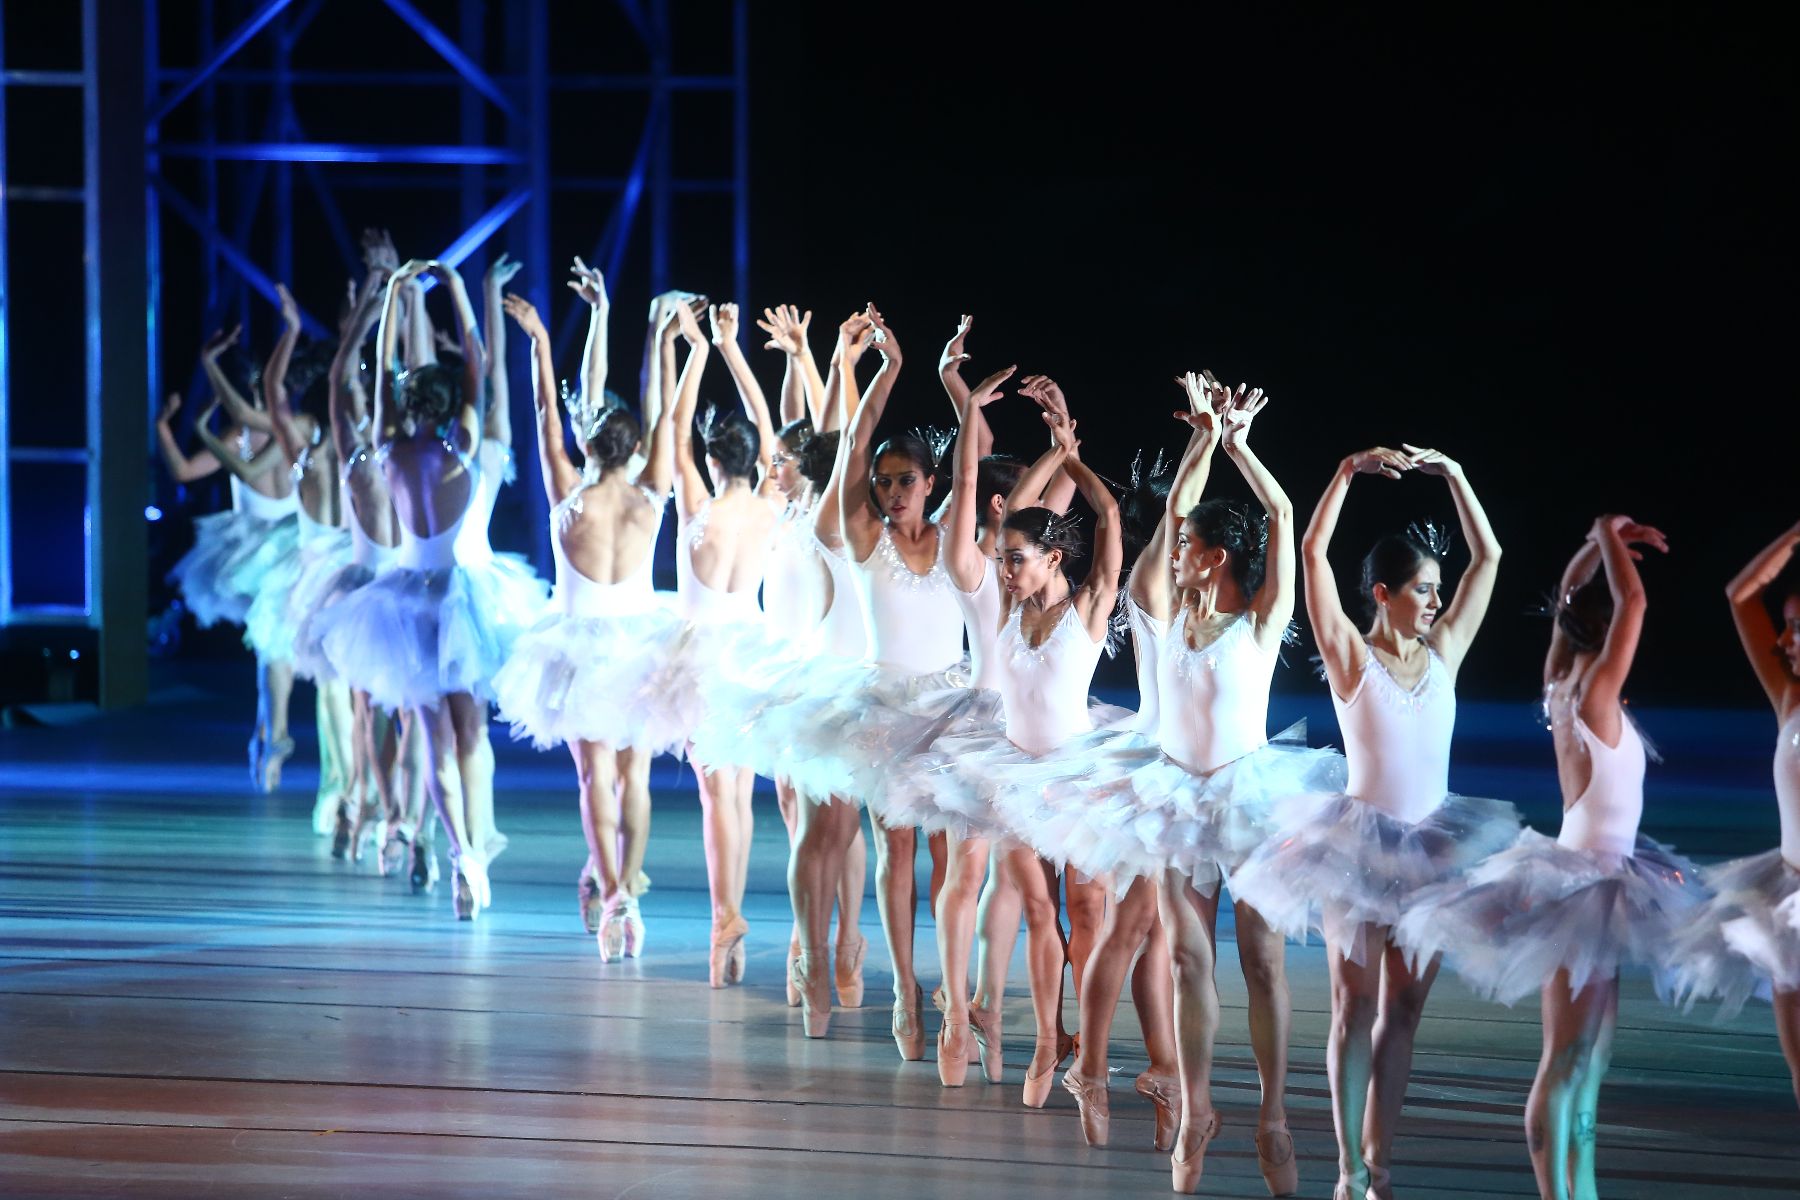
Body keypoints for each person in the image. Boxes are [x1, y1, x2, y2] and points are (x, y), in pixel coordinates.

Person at [1231, 442, 1517, 1200]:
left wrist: (1456, 474)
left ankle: (1379, 1167)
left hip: (1431, 850)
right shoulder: (1352, 657)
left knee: (1406, 1008)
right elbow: (1314, 552)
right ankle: (1347, 1169)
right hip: (1356, 851)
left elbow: (1489, 556)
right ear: (1384, 594)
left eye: (1438, 590)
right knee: (1354, 1006)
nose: (1435, 601)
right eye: (1423, 590)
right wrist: (1344, 475)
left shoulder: (1446, 652)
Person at [1397, 516, 1704, 1199]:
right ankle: (1555, 1192)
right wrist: (1604, 532)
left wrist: (1596, 552)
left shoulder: (1561, 682)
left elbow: (1573, 602)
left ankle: (1582, 1189)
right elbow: (1637, 604)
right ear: (1607, 637)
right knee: (1566, 1057)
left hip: (1603, 882)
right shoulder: (1590, 694)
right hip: (1582, 887)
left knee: (1589, 1059)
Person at [316, 259, 520, 921]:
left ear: (405, 405)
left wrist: (392, 304)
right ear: (452, 407)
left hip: (405, 602)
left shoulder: (388, 454)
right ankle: (475, 856)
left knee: (431, 738)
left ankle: (460, 853)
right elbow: (482, 369)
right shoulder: (471, 452)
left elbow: (365, 400)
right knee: (471, 739)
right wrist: (458, 288)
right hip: (460, 600)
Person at [490, 273, 686, 960]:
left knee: (591, 779)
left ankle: (614, 898)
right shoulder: (651, 496)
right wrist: (662, 342)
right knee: (634, 780)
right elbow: (669, 418)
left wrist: (542, 343)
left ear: (589, 445)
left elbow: (546, 411)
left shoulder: (566, 495)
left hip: (576, 650)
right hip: (640, 645)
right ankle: (627, 887)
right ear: (631, 448)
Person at [1666, 520, 1800, 1108]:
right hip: (1789, 897)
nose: (1785, 639)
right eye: (1788, 625)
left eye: (1799, 627)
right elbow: (1741, 595)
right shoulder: (1789, 696)